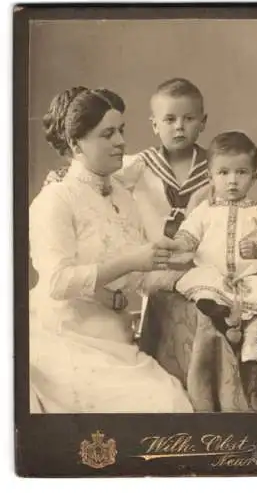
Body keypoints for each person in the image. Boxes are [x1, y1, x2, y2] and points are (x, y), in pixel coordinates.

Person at [29, 85, 193, 413]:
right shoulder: (55, 200)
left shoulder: (122, 196)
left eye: (121, 130)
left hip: (116, 338)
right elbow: (57, 283)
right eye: (107, 134)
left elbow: (140, 279)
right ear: (76, 144)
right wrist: (132, 259)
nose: (120, 142)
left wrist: (182, 265)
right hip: (64, 339)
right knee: (163, 405)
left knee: (174, 399)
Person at [170, 131, 257, 394]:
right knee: (202, 280)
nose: (232, 180)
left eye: (241, 172)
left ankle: (250, 344)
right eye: (223, 173)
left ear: (254, 176)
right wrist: (180, 246)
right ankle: (217, 312)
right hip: (215, 274)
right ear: (210, 176)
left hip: (248, 276)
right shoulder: (204, 210)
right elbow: (187, 236)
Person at [44, 78, 210, 241]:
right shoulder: (140, 164)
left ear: (202, 122)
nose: (179, 126)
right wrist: (62, 175)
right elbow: (96, 173)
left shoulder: (216, 166)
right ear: (155, 125)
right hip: (155, 256)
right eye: (170, 119)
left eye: (188, 118)